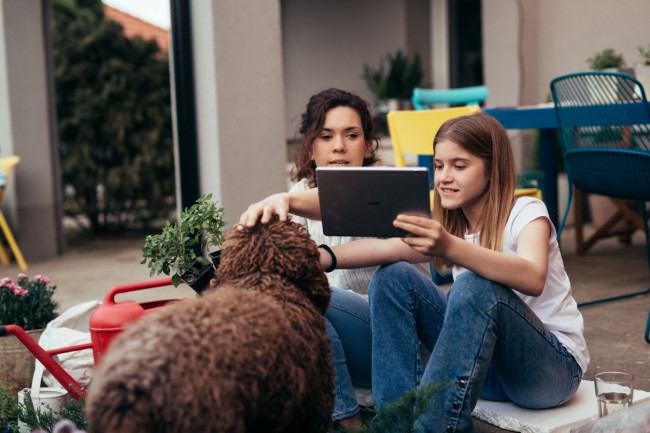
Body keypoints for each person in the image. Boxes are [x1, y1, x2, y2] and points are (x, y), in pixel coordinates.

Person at [240, 112, 589, 433]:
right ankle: (397, 421)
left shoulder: (526, 212)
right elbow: (381, 241)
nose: (444, 177)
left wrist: (449, 246)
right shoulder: (447, 218)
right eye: (438, 166)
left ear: (492, 168)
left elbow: (532, 275)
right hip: (486, 370)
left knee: (472, 285)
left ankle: (433, 428)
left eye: (459, 165)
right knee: (393, 275)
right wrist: (310, 245)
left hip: (548, 373)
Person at [272, 88, 429, 431]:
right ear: (310, 146)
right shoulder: (297, 197)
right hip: (332, 342)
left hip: (394, 345)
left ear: (368, 144)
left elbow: (421, 250)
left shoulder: (391, 189)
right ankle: (345, 417)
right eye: (326, 136)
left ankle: (347, 424)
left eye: (351, 135)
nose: (338, 146)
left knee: (310, 293)